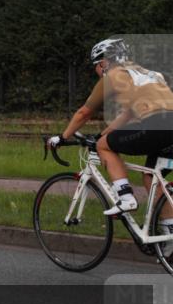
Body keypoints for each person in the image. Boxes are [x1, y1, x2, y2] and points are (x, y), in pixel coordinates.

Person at [50, 39, 173, 222]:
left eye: (95, 66)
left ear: (103, 63)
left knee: (103, 146)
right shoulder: (148, 74)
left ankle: (126, 198)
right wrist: (102, 135)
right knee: (150, 177)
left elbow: (84, 113)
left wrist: (62, 137)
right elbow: (128, 115)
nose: (96, 71)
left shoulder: (112, 75)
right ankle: (169, 230)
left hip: (156, 126)